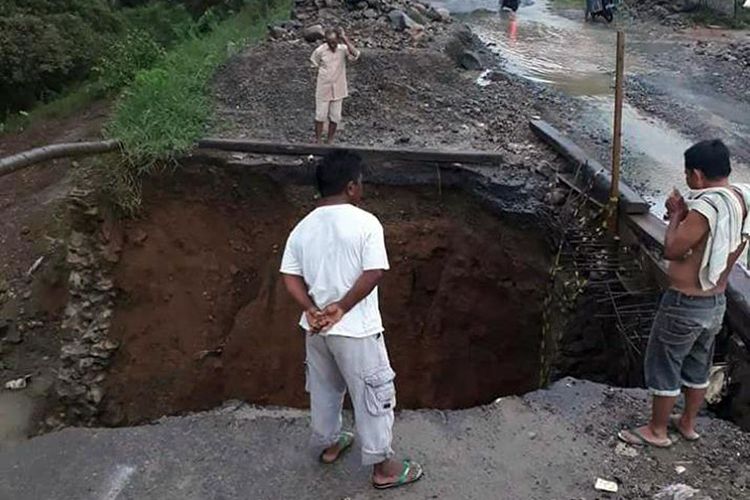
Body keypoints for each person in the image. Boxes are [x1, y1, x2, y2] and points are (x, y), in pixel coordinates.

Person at [279, 150, 424, 489]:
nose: (362, 188)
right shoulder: (365, 222)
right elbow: (374, 271)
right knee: (373, 393)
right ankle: (384, 468)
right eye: (360, 183)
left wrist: (311, 308)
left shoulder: (303, 227)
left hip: (316, 330)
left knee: (324, 388)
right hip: (356, 331)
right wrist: (342, 307)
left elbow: (289, 275)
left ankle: (329, 444)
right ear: (351, 187)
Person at [618, 139, 750, 448]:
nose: (688, 180)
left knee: (665, 364)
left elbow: (674, 249)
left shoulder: (705, 208)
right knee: (698, 367)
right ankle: (688, 424)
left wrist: (677, 213)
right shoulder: (740, 200)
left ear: (698, 175)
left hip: (685, 303)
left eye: (688, 174)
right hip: (715, 302)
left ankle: (657, 430)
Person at [310, 28, 359, 144]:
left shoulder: (343, 49)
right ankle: (318, 140)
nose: (332, 44)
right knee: (320, 115)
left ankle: (330, 139)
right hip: (323, 88)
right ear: (325, 41)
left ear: (338, 39)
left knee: (335, 117)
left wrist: (345, 39)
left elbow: (356, 54)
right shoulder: (320, 51)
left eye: (334, 41)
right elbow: (314, 64)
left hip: (339, 88)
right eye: (329, 41)